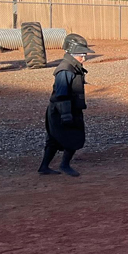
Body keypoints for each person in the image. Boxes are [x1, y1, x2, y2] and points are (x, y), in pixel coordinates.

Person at [38, 35, 94, 177]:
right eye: (82, 55)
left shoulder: (72, 67)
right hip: (62, 110)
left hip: (63, 109)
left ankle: (45, 167)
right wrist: (66, 114)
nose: (84, 58)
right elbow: (61, 94)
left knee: (54, 138)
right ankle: (64, 165)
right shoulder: (65, 70)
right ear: (73, 54)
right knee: (72, 136)